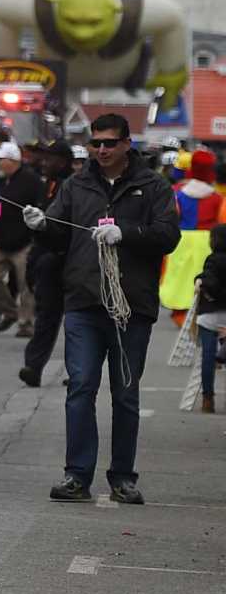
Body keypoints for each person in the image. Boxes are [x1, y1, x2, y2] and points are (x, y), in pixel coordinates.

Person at [26, 113, 182, 504]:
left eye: (110, 142)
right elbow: (59, 235)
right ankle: (77, 475)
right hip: (83, 301)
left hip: (132, 306)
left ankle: (123, 477)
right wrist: (41, 225)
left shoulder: (153, 185)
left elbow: (168, 236)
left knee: (126, 393)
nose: (102, 150)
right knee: (80, 387)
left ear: (127, 144)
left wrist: (126, 234)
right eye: (96, 143)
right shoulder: (76, 185)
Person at [20, 137, 75, 386]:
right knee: (46, 317)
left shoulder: (72, 187)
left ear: (63, 161)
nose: (45, 162)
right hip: (47, 262)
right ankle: (33, 366)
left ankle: (77, 371)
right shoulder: (48, 185)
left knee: (76, 322)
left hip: (69, 261)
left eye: (51, 158)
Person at [0, 141, 41, 336]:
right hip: (0, 241)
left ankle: (26, 323)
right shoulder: (0, 180)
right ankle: (10, 311)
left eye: (1, 160)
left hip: (23, 242)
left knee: (26, 285)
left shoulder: (31, 181)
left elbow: (39, 209)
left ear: (12, 160)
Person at [192, 222, 225, 414]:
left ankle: (207, 398)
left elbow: (209, 281)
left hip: (210, 315)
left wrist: (200, 280)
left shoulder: (212, 260)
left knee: (208, 357)